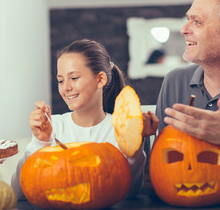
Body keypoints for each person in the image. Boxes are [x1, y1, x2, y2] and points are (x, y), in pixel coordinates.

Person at [11, 39, 159, 200]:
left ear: (100, 80)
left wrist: (136, 146)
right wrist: (41, 141)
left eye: (74, 78)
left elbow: (129, 192)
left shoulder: (121, 129)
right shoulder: (52, 127)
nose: (66, 87)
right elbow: (18, 193)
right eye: (61, 80)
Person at [155, 0, 220, 161]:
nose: (184, 30)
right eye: (188, 19)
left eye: (197, 22)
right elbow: (161, 163)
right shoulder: (175, 81)